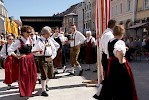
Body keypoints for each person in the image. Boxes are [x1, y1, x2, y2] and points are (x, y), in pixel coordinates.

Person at [98, 25, 138, 100]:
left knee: (112, 82)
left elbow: (112, 50)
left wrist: (124, 48)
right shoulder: (120, 42)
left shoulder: (110, 41)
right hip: (119, 65)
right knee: (123, 84)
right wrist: (121, 60)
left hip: (111, 64)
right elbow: (118, 51)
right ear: (121, 33)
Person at [8, 25, 37, 98]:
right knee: (24, 77)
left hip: (31, 59)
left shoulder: (30, 39)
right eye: (28, 32)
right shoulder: (18, 41)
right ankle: (24, 92)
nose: (29, 34)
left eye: (30, 32)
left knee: (32, 76)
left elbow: (31, 49)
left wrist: (35, 52)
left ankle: (29, 91)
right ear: (23, 32)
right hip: (23, 61)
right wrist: (17, 56)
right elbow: (10, 50)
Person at [93, 19, 117, 99]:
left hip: (105, 57)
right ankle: (100, 94)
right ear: (113, 25)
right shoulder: (109, 35)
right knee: (108, 77)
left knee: (108, 77)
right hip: (107, 57)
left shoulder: (105, 33)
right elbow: (108, 48)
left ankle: (101, 93)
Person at [32, 26, 58, 97]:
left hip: (50, 58)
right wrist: (38, 53)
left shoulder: (49, 40)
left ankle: (45, 84)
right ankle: (43, 90)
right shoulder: (38, 41)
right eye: (49, 33)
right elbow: (33, 51)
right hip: (42, 59)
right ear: (45, 33)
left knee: (51, 75)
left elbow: (54, 49)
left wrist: (53, 56)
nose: (50, 34)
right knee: (44, 75)